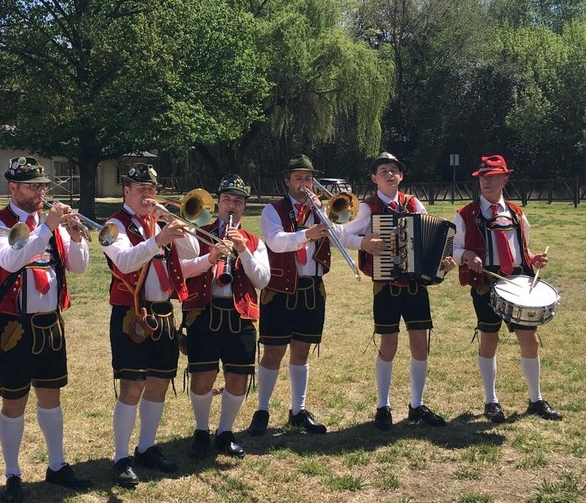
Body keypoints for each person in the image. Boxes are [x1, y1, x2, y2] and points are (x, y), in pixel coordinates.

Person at [0, 157, 92, 502]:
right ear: (12, 188)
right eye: (32, 186)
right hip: (14, 324)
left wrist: (76, 238)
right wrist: (46, 227)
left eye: (42, 186)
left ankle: (56, 464)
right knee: (14, 400)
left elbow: (79, 267)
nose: (39, 192)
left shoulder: (52, 224)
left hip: (49, 323)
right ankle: (12, 473)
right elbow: (10, 260)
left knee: (51, 396)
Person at [100, 163, 199, 488]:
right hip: (132, 314)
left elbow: (192, 252)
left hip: (164, 312)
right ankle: (120, 458)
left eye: (152, 189)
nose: (148, 195)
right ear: (126, 190)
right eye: (141, 189)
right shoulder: (115, 224)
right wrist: (159, 238)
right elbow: (125, 261)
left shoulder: (159, 221)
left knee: (159, 384)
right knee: (132, 387)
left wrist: (173, 224)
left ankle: (146, 447)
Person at [339, 151, 453, 431]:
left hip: (415, 287)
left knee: (420, 345)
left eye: (394, 170)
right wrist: (363, 243)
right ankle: (383, 405)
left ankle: (417, 405)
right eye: (383, 171)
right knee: (388, 346)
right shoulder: (368, 208)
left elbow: (432, 238)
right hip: (386, 287)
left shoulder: (413, 203)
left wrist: (441, 262)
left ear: (401, 176)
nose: (389, 175)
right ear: (374, 178)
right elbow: (339, 233)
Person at [452, 154, 560, 423]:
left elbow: (523, 249)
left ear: (505, 179)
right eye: (483, 178)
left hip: (519, 283)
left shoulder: (517, 213)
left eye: (492, 177)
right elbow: (452, 250)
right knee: (489, 339)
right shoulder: (465, 214)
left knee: (530, 340)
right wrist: (467, 255)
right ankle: (491, 401)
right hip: (486, 283)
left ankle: (536, 399)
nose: (486, 182)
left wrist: (534, 259)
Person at [179, 174, 270, 459]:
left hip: (239, 315)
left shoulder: (254, 241)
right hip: (204, 312)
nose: (232, 206)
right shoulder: (198, 234)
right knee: (202, 376)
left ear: (244, 206)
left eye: (238, 201)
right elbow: (182, 270)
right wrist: (210, 258)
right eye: (227, 199)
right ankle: (201, 430)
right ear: (218, 202)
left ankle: (225, 431)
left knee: (238, 377)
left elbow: (262, 280)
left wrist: (243, 251)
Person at [248, 154, 333, 437]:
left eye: (308, 178)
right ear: (287, 181)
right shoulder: (272, 210)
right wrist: (307, 234)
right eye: (298, 178)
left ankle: (298, 410)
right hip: (280, 290)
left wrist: (324, 215)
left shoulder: (319, 209)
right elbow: (276, 241)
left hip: (311, 288)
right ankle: (262, 410)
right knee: (273, 352)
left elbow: (338, 234)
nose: (304, 183)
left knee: (301, 351)